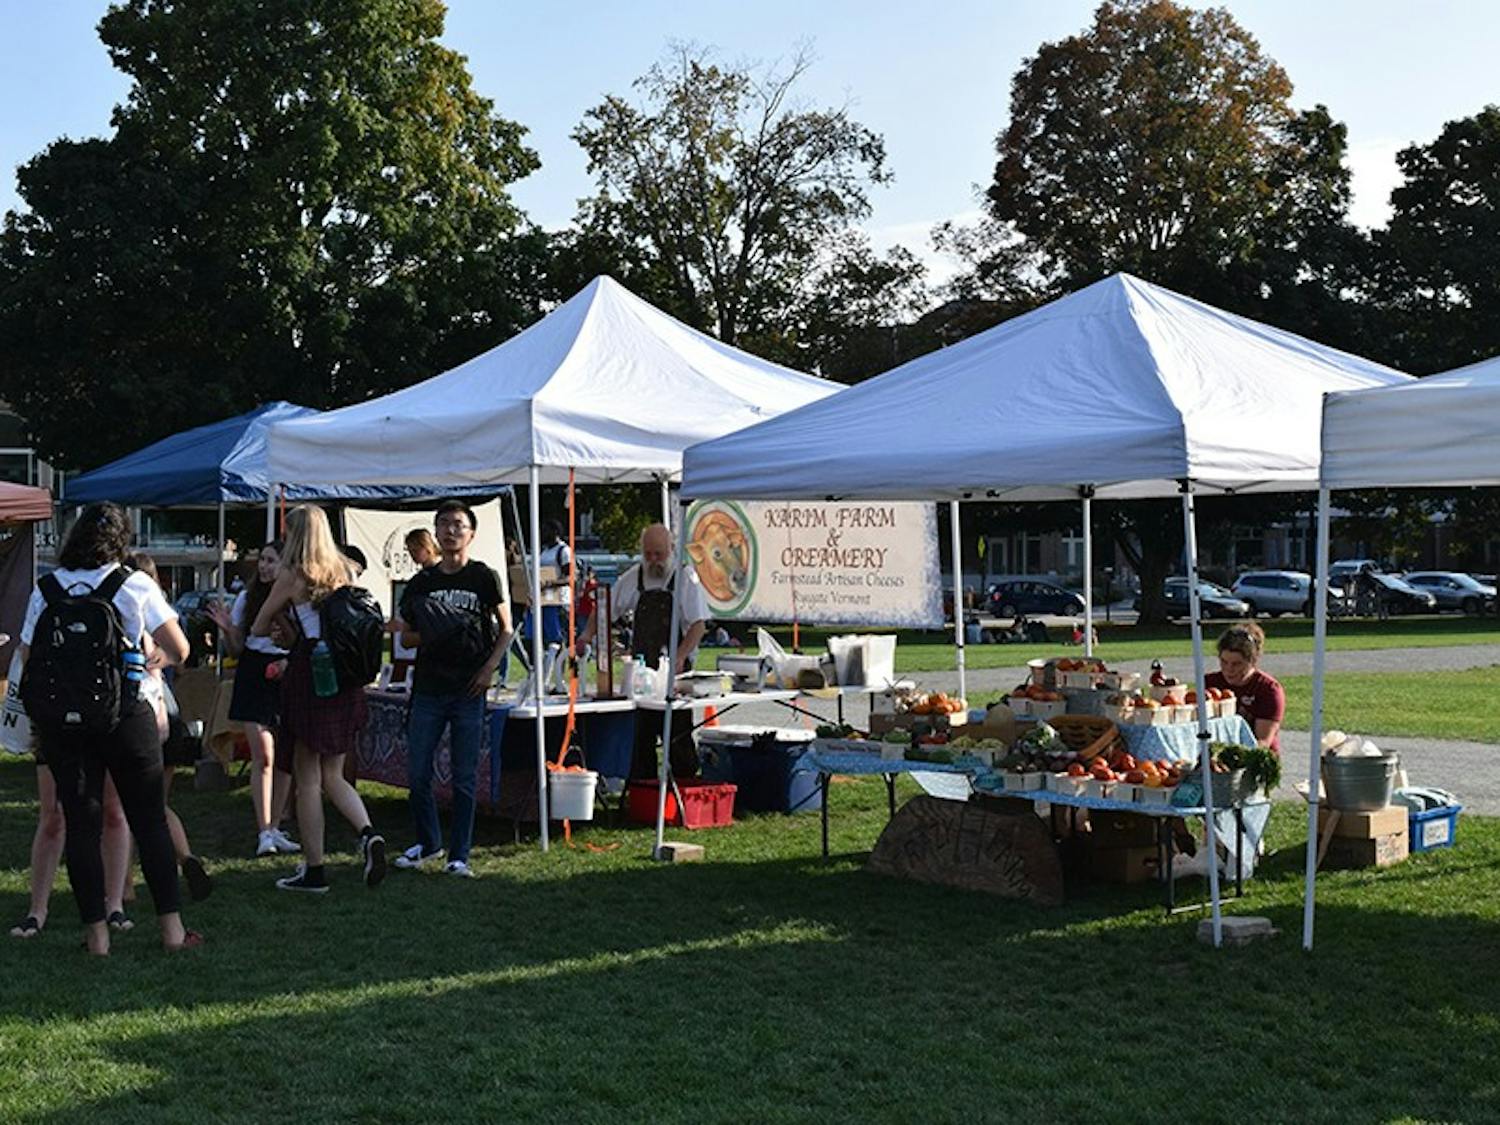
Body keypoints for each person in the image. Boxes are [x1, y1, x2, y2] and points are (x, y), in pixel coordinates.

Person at [17, 502, 200, 953]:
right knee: (149, 820)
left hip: (66, 722)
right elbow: (180, 647)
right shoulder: (133, 584)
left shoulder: (47, 587)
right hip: (127, 714)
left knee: (81, 825)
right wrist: (147, 659)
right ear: (122, 540)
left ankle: (96, 937)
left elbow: (26, 655)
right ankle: (173, 932)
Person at [252, 505, 385, 893]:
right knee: (334, 773)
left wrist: (283, 624)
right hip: (344, 675)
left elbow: (259, 624)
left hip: (310, 673)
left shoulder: (293, 575)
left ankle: (314, 869)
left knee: (307, 779)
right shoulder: (346, 569)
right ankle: (368, 833)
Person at [391, 500, 513, 877]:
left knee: (464, 776)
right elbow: (404, 637)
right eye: (443, 525)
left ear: (471, 534)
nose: (450, 531)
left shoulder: (483, 577)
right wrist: (432, 630)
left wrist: (489, 668)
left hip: (469, 690)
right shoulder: (422, 583)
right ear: (435, 532)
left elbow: (507, 628)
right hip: (428, 688)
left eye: (458, 525)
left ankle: (459, 854)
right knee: (417, 773)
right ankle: (429, 842)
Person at [578, 523, 710, 779]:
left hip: (675, 675)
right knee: (640, 736)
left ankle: (683, 789)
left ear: (671, 549)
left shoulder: (686, 579)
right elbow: (604, 609)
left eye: (658, 554)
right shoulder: (633, 577)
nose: (652, 560)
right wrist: (586, 635)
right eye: (648, 554)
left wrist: (680, 656)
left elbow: (698, 626)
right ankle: (642, 790)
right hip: (640, 674)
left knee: (677, 736)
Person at [129, 553, 212, 901]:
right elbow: (178, 662)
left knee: (124, 805)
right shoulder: (166, 623)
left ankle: (124, 886)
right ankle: (187, 857)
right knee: (157, 804)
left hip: (143, 717)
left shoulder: (131, 618)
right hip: (170, 713)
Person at [208, 541, 299, 856]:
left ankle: (276, 827)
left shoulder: (297, 598)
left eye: (272, 561)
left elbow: (301, 641)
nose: (264, 567)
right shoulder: (247, 598)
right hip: (253, 674)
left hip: (287, 673)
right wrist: (227, 630)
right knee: (264, 753)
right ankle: (264, 831)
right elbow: (237, 650)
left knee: (285, 756)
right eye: (262, 559)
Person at [1205, 622, 1285, 753]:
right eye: (1224, 662)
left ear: (1252, 661)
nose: (1229, 669)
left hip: (1253, 760)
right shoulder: (1208, 683)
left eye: (1237, 664)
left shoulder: (1268, 690)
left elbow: (1262, 742)